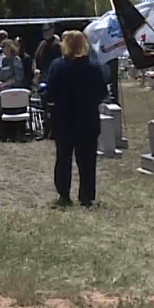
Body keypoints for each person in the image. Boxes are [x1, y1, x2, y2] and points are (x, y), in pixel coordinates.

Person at [45, 30, 109, 207]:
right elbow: (103, 92)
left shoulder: (57, 66)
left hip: (63, 120)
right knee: (88, 160)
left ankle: (63, 195)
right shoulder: (94, 67)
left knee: (63, 158)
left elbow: (50, 93)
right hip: (88, 119)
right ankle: (86, 196)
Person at [0, 39, 25, 140]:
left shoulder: (16, 59)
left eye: (5, 46)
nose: (3, 49)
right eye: (2, 47)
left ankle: (13, 134)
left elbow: (18, 77)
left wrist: (5, 84)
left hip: (12, 90)